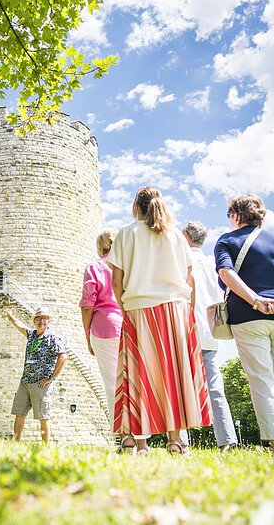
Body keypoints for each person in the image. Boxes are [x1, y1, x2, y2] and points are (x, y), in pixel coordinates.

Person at [107, 186, 212, 455]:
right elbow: (190, 278)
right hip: (175, 309)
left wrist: (124, 305)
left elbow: (116, 281)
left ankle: (138, 443)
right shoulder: (176, 235)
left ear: (136, 206)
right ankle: (175, 441)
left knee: (139, 373)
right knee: (172, 375)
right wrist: (188, 311)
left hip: (139, 307)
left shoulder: (126, 234)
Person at [214, 194, 274, 452]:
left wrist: (255, 300)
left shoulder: (227, 240)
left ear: (237, 215)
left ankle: (272, 438)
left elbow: (226, 273)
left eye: (229, 214)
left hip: (248, 317)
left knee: (261, 378)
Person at [180, 221, 237, 452]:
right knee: (215, 387)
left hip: (186, 328)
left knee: (180, 385)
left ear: (185, 236)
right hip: (210, 330)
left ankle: (180, 442)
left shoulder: (182, 262)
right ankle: (227, 440)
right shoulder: (213, 264)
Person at [3, 306, 67, 444]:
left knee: (43, 417)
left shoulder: (53, 338)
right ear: (34, 321)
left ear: (48, 321)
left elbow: (62, 358)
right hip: (25, 381)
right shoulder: (31, 334)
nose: (41, 321)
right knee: (19, 413)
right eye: (38, 318)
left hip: (40, 383)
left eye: (44, 318)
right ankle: (15, 443)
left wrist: (52, 378)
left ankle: (45, 447)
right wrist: (10, 317)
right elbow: (20, 326)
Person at [79, 229, 123, 423]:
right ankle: (139, 435)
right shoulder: (125, 267)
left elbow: (87, 306)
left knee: (112, 384)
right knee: (130, 381)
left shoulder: (94, 267)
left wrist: (87, 335)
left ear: (99, 248)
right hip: (127, 327)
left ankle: (123, 435)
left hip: (103, 329)